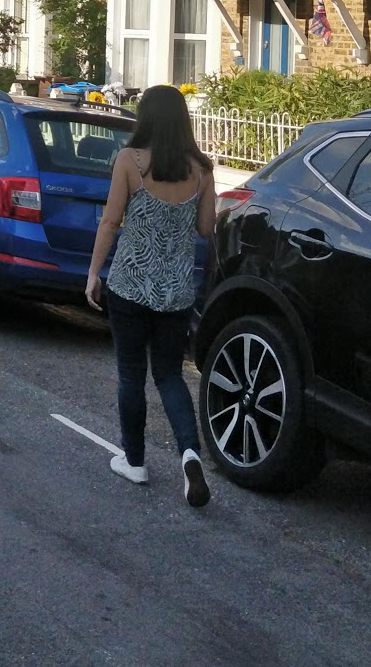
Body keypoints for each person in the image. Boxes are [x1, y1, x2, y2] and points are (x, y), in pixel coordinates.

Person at [85, 84, 215, 509]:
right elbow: (206, 229)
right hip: (176, 294)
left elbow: (110, 222)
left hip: (129, 288)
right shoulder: (202, 170)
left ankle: (135, 460)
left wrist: (93, 273)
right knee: (170, 376)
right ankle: (190, 456)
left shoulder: (132, 162)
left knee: (130, 375)